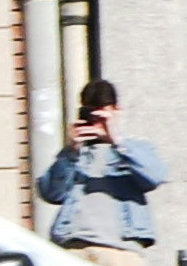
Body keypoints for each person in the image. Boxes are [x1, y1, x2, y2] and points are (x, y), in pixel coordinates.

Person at [34, 79, 169, 253]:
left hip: (122, 249)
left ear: (116, 110)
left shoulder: (135, 150)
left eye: (102, 115)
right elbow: (50, 193)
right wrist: (71, 151)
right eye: (92, 114)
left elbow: (156, 176)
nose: (97, 121)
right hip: (75, 245)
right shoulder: (75, 154)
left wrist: (117, 142)